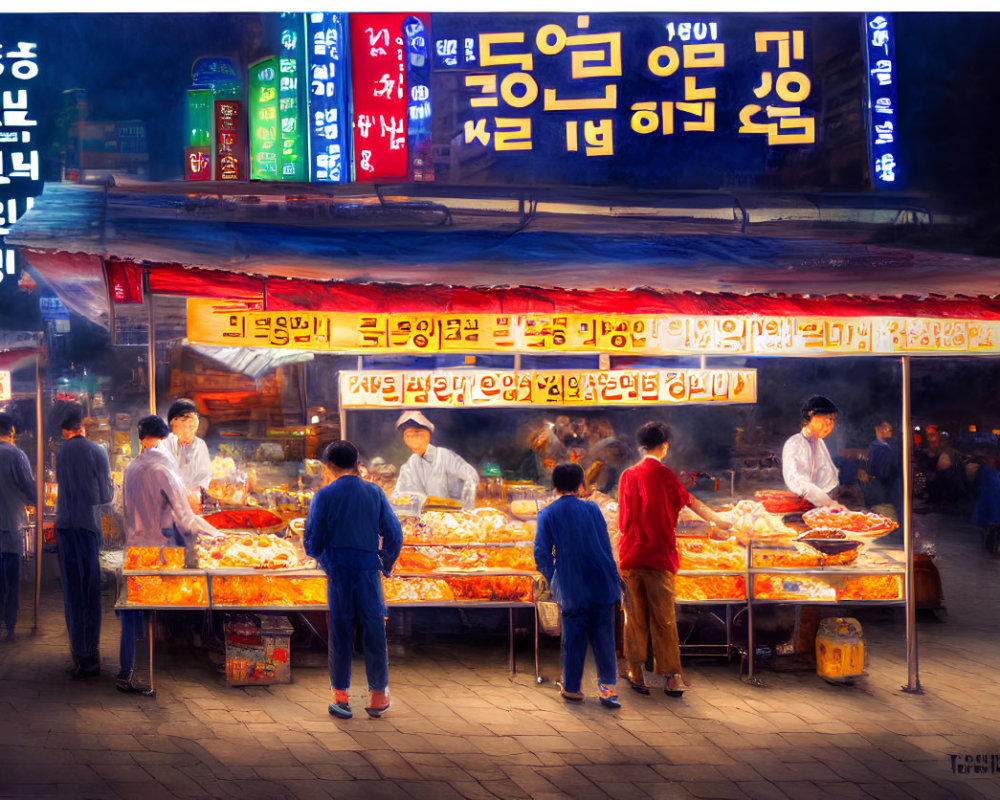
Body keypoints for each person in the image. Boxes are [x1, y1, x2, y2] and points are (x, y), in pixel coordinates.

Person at [617, 421, 732, 697]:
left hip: (631, 557)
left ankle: (636, 674)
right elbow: (691, 503)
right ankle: (671, 678)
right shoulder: (667, 475)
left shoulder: (628, 476)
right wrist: (720, 522)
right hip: (660, 557)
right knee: (664, 619)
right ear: (665, 446)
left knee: (634, 618)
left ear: (640, 447)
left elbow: (623, 521)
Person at [119, 415, 223, 693]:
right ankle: (142, 680)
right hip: (157, 551)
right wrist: (218, 534)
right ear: (166, 438)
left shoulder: (132, 468)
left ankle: (125, 671)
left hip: (134, 547)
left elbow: (124, 510)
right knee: (149, 616)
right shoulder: (164, 468)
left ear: (142, 439)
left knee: (133, 613)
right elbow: (186, 518)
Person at [305, 440, 403, 720]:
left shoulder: (324, 495)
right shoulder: (375, 492)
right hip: (368, 570)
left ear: (329, 467)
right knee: (374, 630)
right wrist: (384, 562)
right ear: (356, 463)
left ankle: (341, 698)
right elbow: (394, 533)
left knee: (340, 631)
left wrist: (323, 560)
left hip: (339, 571)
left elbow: (312, 540)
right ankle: (378, 695)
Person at [534, 462, 622, 707]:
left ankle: (572, 688)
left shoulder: (548, 513)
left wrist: (554, 577)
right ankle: (607, 689)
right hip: (601, 580)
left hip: (572, 583)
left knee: (573, 636)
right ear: (580, 485)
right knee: (604, 635)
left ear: (554, 486)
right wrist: (611, 575)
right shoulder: (593, 509)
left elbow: (541, 553)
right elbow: (606, 545)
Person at [55, 402, 113, 678]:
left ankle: (78, 655)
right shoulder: (97, 450)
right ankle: (92, 656)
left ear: (64, 429)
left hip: (65, 528)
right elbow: (106, 496)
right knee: (91, 592)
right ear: (83, 426)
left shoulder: (61, 452)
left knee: (72, 594)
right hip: (89, 529)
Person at [391, 410, 479, 508]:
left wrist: (466, 506)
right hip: (421, 520)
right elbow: (398, 494)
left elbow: (471, 476)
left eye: (416, 433)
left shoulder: (445, 456)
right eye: (408, 435)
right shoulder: (410, 464)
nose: (412, 438)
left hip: (450, 518)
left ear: (427, 435)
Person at [0, 413, 37, 641]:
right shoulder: (16, 454)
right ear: (11, 432)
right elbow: (30, 489)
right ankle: (10, 626)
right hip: (11, 526)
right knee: (11, 580)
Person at [782, 395, 842, 507]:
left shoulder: (819, 442)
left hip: (824, 503)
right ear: (811, 417)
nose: (830, 426)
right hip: (802, 505)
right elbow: (797, 482)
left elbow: (829, 475)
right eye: (827, 420)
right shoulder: (794, 443)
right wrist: (828, 503)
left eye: (832, 421)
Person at [161, 399, 211, 507]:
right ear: (173, 423)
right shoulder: (163, 447)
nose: (191, 425)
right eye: (185, 420)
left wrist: (195, 495)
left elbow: (204, 478)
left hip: (194, 505)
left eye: (194, 420)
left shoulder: (200, 445)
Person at [864, 418, 902, 518]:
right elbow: (876, 470)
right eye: (886, 427)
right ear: (878, 429)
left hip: (890, 486)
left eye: (890, 427)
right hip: (881, 488)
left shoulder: (890, 446)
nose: (889, 429)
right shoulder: (875, 447)